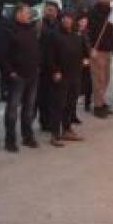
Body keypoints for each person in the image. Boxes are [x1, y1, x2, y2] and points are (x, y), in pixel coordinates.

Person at [2, 4, 41, 152]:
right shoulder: (9, 30)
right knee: (12, 109)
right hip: (17, 75)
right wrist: (10, 71)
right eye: (26, 13)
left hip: (32, 74)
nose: (29, 15)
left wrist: (38, 65)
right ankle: (10, 140)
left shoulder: (31, 29)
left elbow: (36, 49)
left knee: (29, 108)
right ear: (18, 13)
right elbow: (3, 54)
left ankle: (27, 136)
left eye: (29, 13)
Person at [47, 10, 86, 146]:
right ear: (61, 20)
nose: (67, 21)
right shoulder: (54, 35)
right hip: (61, 76)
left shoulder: (77, 35)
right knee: (59, 105)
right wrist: (55, 71)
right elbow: (50, 56)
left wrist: (86, 58)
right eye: (64, 18)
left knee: (71, 103)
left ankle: (67, 129)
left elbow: (84, 52)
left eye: (69, 18)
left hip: (75, 75)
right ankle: (54, 134)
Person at [88, 0, 113, 118]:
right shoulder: (93, 13)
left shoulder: (111, 13)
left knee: (106, 78)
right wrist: (89, 48)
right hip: (97, 50)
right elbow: (88, 32)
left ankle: (102, 101)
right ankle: (97, 106)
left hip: (108, 50)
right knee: (98, 79)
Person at [36, 2, 60, 132]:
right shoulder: (39, 25)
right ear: (44, 11)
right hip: (43, 66)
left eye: (53, 10)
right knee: (43, 97)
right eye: (49, 10)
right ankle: (44, 122)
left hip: (56, 65)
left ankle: (53, 120)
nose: (51, 12)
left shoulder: (58, 25)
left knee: (54, 96)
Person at [75, 12, 93, 120]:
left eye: (85, 21)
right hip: (78, 63)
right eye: (82, 21)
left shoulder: (87, 32)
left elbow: (89, 45)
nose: (84, 23)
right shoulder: (75, 33)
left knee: (89, 84)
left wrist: (90, 53)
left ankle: (87, 103)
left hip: (87, 62)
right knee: (77, 85)